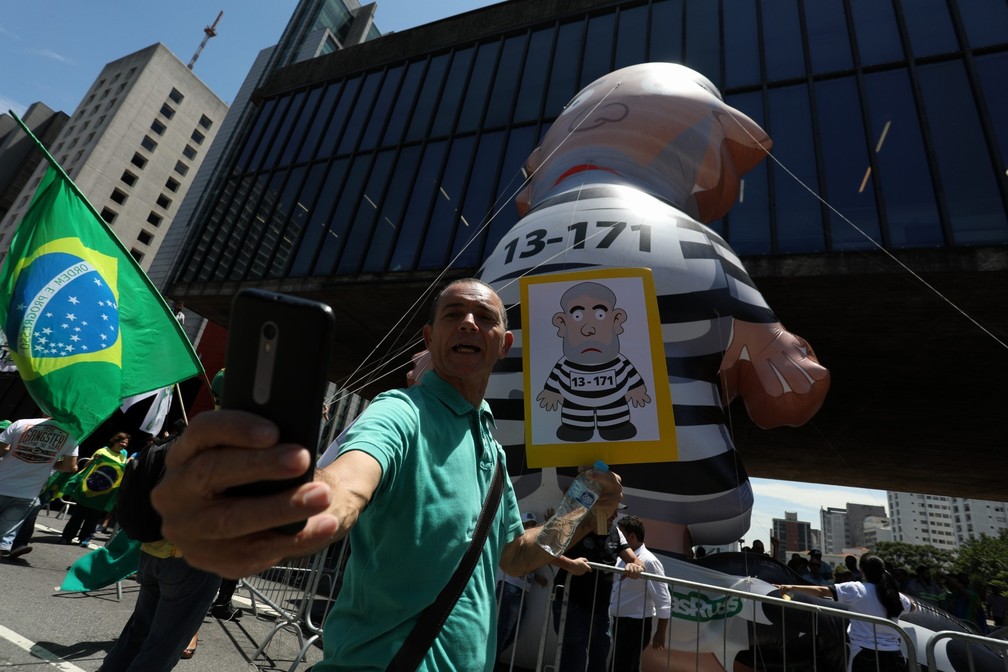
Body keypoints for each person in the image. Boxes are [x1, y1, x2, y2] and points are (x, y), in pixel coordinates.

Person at [151, 278, 627, 672]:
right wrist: (297, 507)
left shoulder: (493, 450)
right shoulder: (400, 412)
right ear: (428, 337)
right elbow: (346, 484)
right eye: (453, 313)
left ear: (504, 343)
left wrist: (585, 508)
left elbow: (514, 555)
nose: (468, 321)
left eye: (484, 317)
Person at [99, 432, 221, 671]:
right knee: (162, 647)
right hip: (192, 559)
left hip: (154, 551)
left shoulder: (190, 440)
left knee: (138, 634)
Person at [778, 554, 915, 672]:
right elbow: (913, 607)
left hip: (865, 655)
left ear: (862, 571)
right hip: (895, 656)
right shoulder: (895, 596)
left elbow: (822, 591)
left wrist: (791, 587)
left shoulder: (856, 589)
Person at [550, 508, 643, 672]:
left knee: (599, 661)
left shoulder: (615, 531)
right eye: (611, 509)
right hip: (571, 605)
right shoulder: (573, 523)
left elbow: (636, 561)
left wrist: (634, 566)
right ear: (597, 506)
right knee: (574, 661)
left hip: (600, 610)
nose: (615, 514)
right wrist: (570, 565)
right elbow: (546, 551)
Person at [0, 417, 78, 559]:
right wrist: (50, 462)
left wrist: (12, 451)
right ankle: (13, 545)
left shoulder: (21, 423)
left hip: (3, 482)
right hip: (27, 493)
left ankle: (18, 544)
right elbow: (69, 466)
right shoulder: (71, 436)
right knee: (2, 538)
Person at [609, 515, 671, 672]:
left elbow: (663, 600)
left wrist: (660, 633)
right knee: (623, 666)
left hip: (636, 626)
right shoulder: (621, 557)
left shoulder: (650, 561)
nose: (617, 539)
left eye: (621, 535)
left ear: (632, 537)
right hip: (620, 623)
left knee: (622, 666)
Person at [59, 433, 130, 546]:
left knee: (94, 516)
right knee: (79, 514)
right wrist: (93, 460)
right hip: (89, 488)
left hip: (104, 490)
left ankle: (86, 538)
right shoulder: (102, 451)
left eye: (126, 443)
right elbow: (87, 466)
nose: (124, 445)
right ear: (115, 441)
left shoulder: (123, 455)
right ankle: (67, 537)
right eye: (122, 442)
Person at [495, 511, 549, 660]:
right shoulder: (517, 540)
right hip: (510, 589)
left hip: (519, 591)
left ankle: (491, 661)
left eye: (532, 524)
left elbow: (526, 563)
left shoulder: (528, 544)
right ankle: (490, 664)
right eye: (527, 524)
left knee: (512, 634)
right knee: (502, 633)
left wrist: (536, 577)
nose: (530, 527)